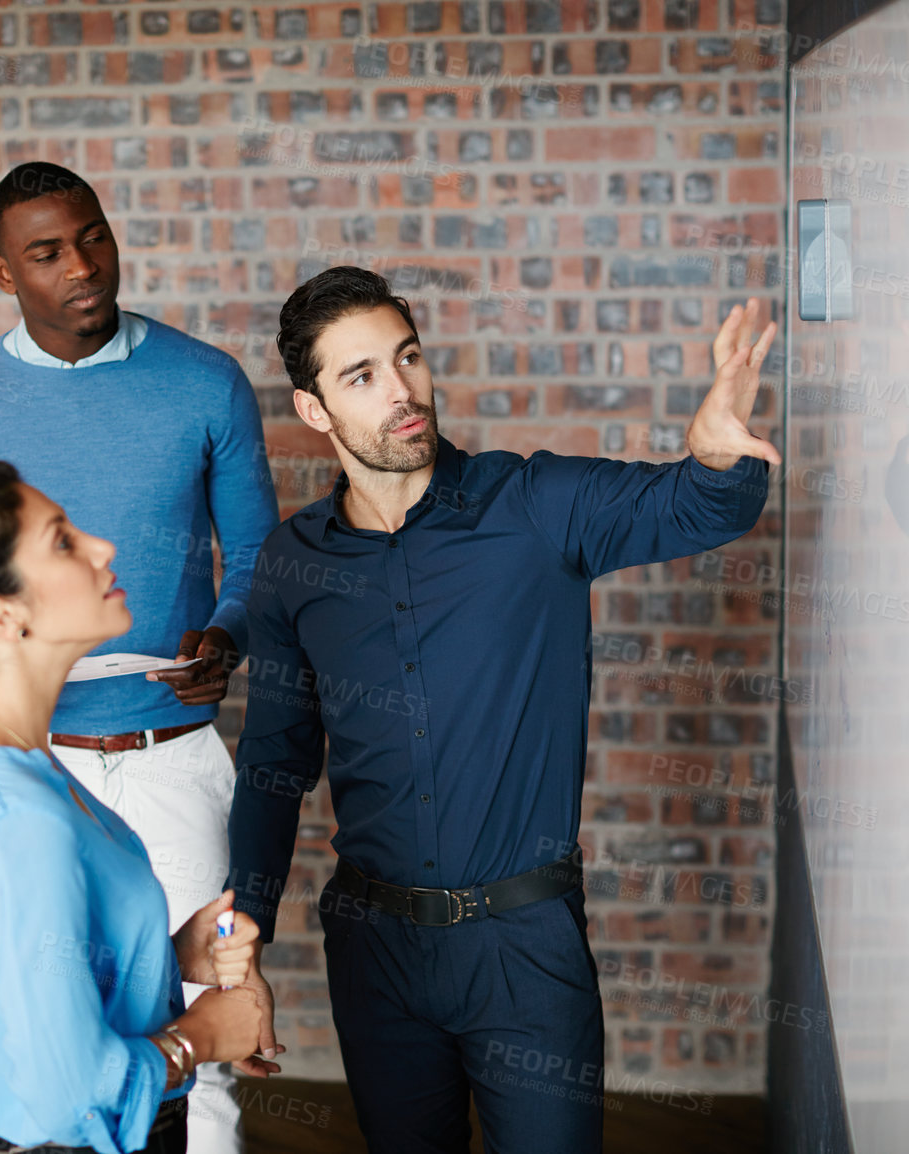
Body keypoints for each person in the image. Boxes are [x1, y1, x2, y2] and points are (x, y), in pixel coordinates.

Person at [227, 267, 780, 1153]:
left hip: (525, 948)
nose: (402, 391)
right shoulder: (294, 565)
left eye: (408, 358)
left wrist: (718, 455)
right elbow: (273, 765)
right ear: (315, 410)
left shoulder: (533, 505)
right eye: (362, 375)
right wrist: (240, 936)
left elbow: (691, 505)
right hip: (375, 954)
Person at [0, 161, 284, 1148]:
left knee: (202, 1036)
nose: (82, 267)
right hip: (46, 761)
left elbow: (254, 555)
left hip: (172, 756)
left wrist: (229, 635)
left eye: (94, 238)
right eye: (46, 252)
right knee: (63, 1032)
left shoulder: (204, 381)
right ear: (3, 271)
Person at [0, 462, 268, 1153]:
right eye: (63, 541)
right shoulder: (17, 817)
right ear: (1, 614)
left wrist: (168, 956)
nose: (102, 548)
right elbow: (69, 1090)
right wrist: (203, 1037)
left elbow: (35, 983)